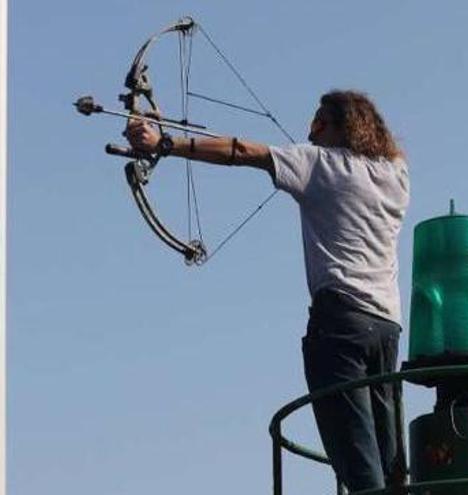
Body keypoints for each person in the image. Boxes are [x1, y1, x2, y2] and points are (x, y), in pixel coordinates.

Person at [126, 90, 410, 492]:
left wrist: (165, 142)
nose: (309, 135)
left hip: (340, 324)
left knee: (360, 466)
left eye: (317, 125)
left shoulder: (318, 164)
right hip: (387, 329)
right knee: (389, 460)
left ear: (339, 127)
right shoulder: (396, 174)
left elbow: (241, 151)